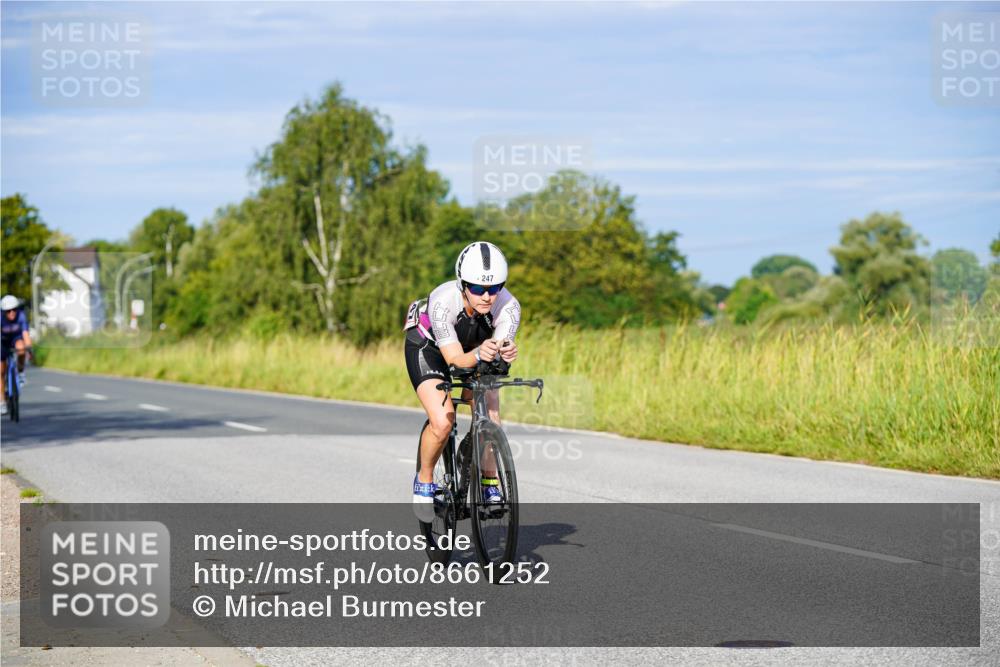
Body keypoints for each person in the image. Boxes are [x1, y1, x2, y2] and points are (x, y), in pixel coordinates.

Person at [404, 242, 520, 521]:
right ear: (462, 284)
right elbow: (455, 358)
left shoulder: (510, 306)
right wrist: (481, 352)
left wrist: (505, 351)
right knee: (443, 421)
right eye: (478, 288)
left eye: (495, 288)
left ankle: (489, 480)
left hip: (475, 347)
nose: (488, 296)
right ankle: (425, 479)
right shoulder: (444, 301)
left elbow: (499, 346)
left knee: (491, 417)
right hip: (430, 347)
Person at [1, 295, 33, 415]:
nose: (12, 312)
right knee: (1, 371)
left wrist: (29, 348)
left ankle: (20, 372)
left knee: (21, 347)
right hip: (2, 342)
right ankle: (2, 402)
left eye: (14, 309)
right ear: (4, 312)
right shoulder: (0, 318)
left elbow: (26, 335)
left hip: (16, 339)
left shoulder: (21, 316)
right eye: (8, 311)